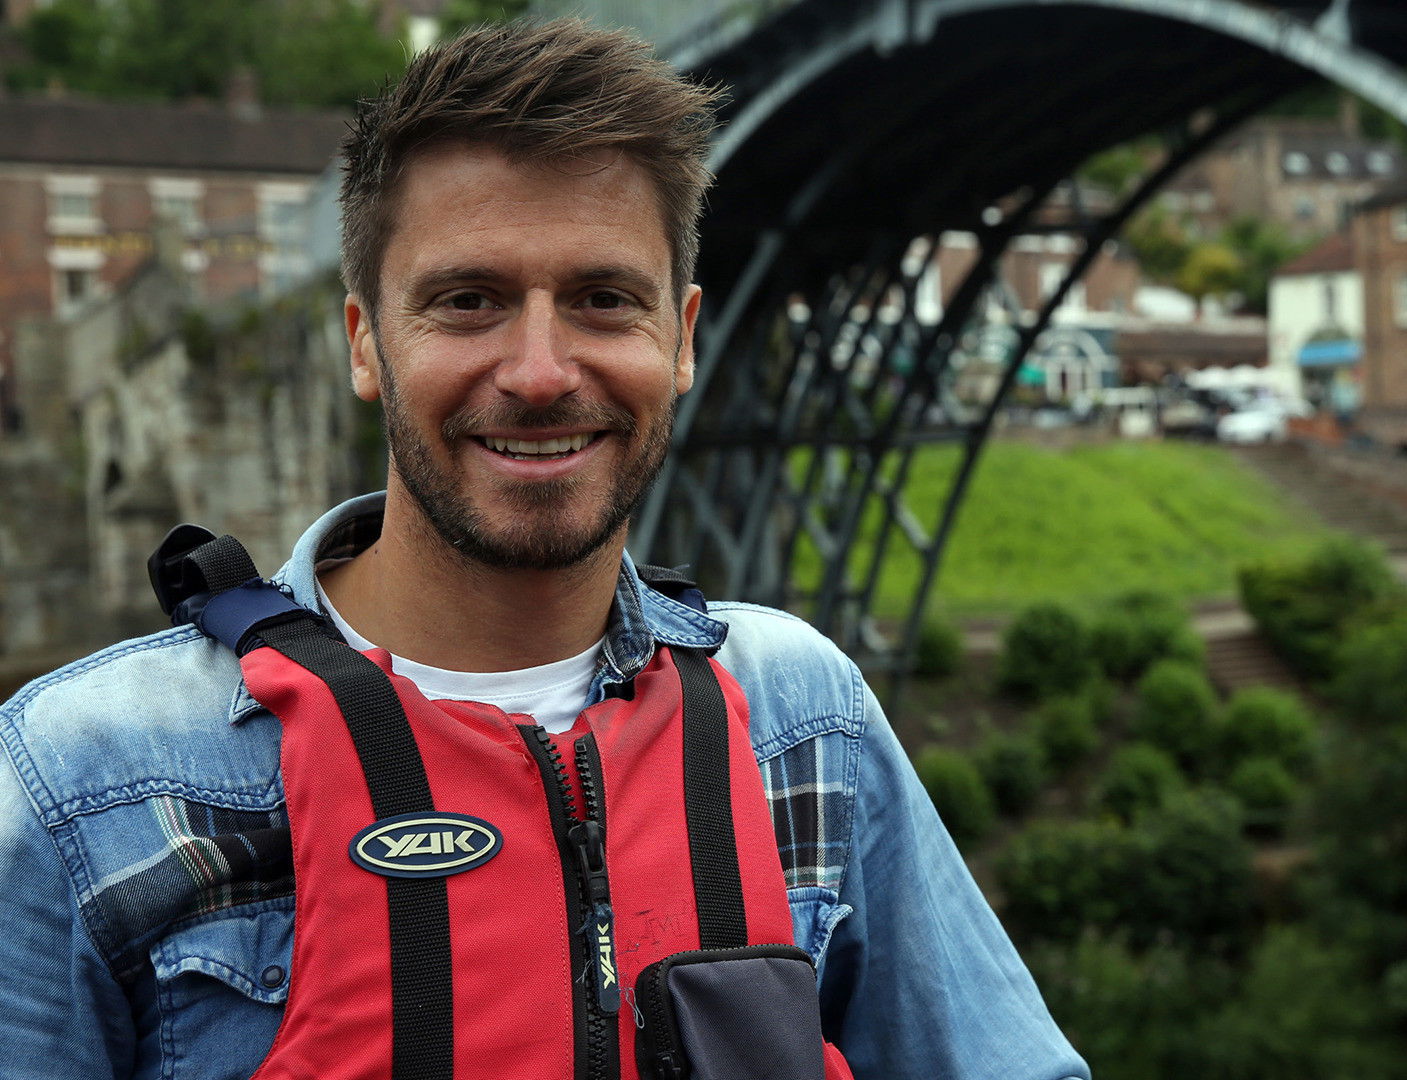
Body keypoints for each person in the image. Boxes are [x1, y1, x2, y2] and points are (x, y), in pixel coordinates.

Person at [0, 20, 1087, 1080]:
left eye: (603, 299)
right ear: (365, 342)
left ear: (684, 337)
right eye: (467, 302)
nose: (538, 370)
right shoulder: (82, 781)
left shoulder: (807, 720)